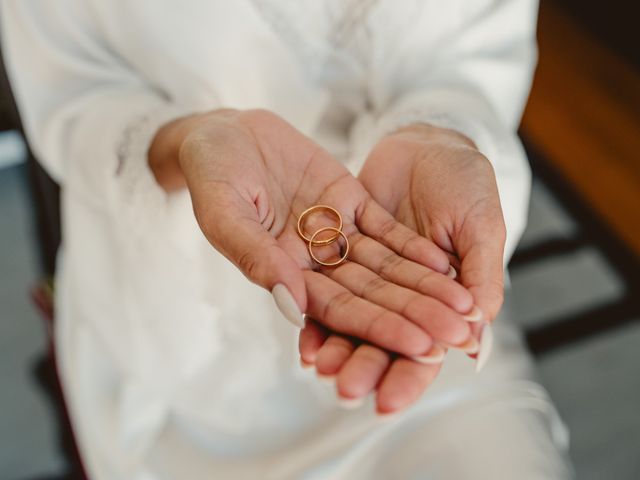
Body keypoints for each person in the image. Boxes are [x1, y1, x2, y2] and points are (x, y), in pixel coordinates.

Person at [2, 0, 574, 478]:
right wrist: (186, 142)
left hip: (415, 277)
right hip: (179, 346)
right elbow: (73, 95)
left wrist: (442, 132)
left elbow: (476, 50)